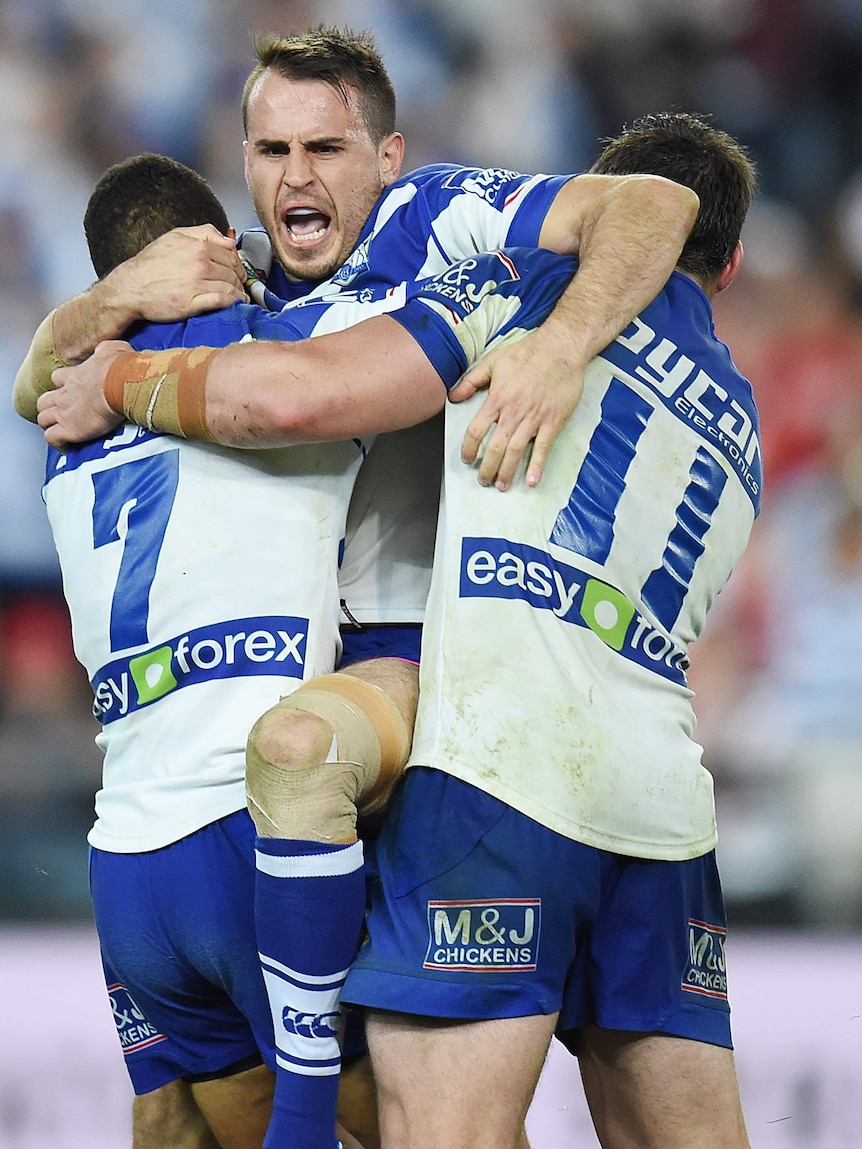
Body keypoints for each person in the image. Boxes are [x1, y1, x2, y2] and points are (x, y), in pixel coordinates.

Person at [19, 25, 697, 1147]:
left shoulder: (434, 223)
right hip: (317, 736)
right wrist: (114, 303)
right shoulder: (245, 286)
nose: (295, 175)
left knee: (429, 1117)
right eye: (270, 149)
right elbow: (47, 382)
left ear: (385, 157)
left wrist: (560, 345)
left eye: (325, 148)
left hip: (431, 702)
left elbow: (650, 205)